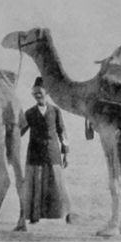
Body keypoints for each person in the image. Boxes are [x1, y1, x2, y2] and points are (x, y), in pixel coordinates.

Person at [21, 77, 73, 224]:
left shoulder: (55, 111)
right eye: (35, 93)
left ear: (47, 93)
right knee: (35, 183)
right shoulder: (29, 113)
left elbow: (62, 132)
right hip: (35, 153)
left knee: (58, 182)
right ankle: (34, 216)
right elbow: (20, 131)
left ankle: (67, 214)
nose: (37, 95)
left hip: (52, 152)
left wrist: (66, 153)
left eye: (40, 92)